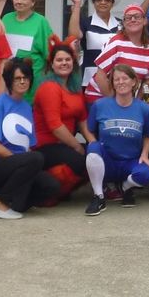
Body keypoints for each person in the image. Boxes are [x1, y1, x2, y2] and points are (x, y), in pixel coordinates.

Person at [0, 58, 60, 219]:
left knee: (51, 186)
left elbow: (28, 147)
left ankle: (13, 203)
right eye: (17, 78)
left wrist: (25, 166)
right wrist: (22, 164)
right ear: (9, 81)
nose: (22, 82)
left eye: (25, 78)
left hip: (18, 165)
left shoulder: (27, 106)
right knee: (35, 159)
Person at [83, 64, 149, 215]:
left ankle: (125, 187)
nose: (120, 82)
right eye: (116, 79)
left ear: (134, 82)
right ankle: (99, 196)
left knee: (147, 174)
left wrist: (145, 154)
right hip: (108, 161)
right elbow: (89, 130)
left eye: (125, 78)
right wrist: (93, 143)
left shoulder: (144, 109)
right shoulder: (100, 105)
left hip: (130, 161)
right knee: (93, 149)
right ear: (112, 83)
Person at [33, 43, 97, 203]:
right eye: (59, 60)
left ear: (73, 63)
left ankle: (61, 192)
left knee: (96, 158)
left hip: (64, 144)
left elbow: (82, 121)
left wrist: (94, 144)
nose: (64, 63)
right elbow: (55, 125)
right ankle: (47, 194)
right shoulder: (49, 87)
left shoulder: (74, 89)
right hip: (45, 146)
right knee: (80, 161)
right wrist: (76, 146)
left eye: (68, 59)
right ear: (51, 64)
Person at [2, 0, 63, 100]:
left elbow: (50, 54)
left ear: (33, 2)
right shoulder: (6, 19)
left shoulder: (40, 22)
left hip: (33, 82)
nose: (19, 1)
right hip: (9, 80)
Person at [88, 4, 149, 103]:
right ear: (124, 23)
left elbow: (148, 81)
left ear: (144, 21)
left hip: (126, 100)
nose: (133, 20)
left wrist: (137, 102)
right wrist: (114, 101)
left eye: (137, 17)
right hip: (100, 97)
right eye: (128, 18)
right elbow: (100, 76)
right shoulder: (116, 43)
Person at [76, 0, 121, 94]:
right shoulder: (86, 23)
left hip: (117, 79)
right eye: (99, 0)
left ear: (112, 3)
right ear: (94, 2)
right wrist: (76, 7)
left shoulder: (121, 24)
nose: (103, 2)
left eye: (107, 0)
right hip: (90, 78)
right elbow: (74, 35)